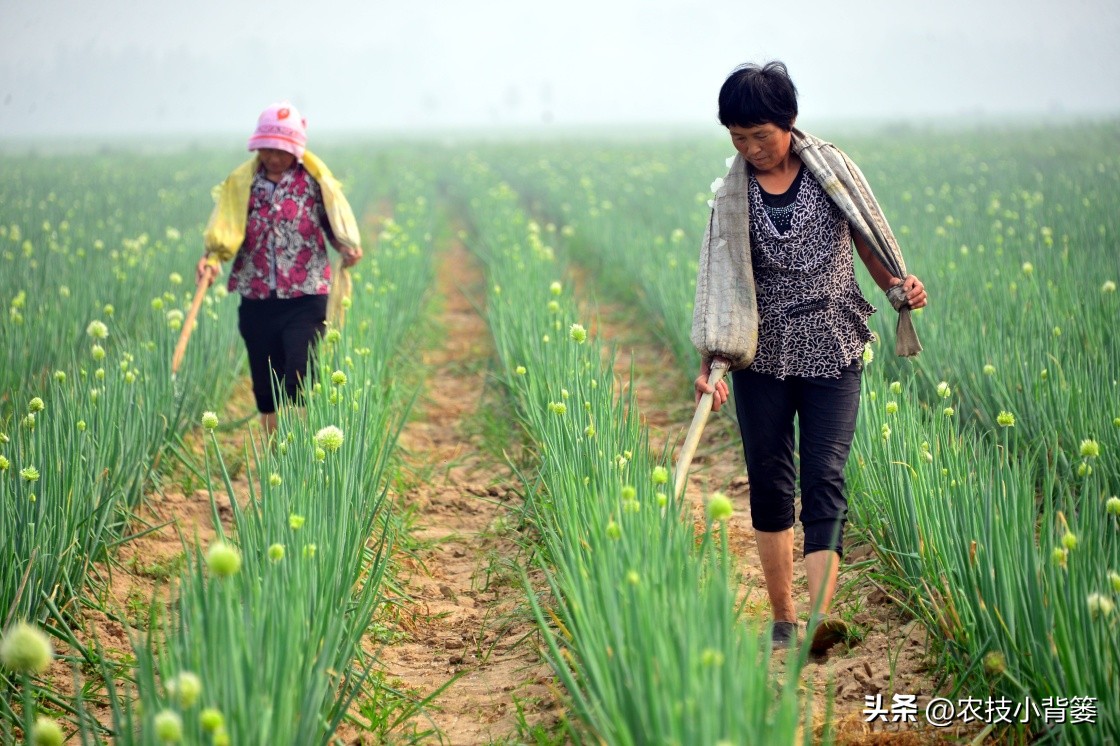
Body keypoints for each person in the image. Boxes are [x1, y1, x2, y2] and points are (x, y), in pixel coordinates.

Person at [690, 62, 928, 654]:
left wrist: (900, 286)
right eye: (737, 138)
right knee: (771, 484)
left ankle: (820, 621)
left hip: (834, 347)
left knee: (825, 478)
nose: (750, 148)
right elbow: (721, 283)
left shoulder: (831, 172)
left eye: (760, 136)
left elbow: (869, 242)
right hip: (761, 358)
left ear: (789, 123)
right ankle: (783, 617)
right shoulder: (731, 195)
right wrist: (711, 363)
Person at [195, 101, 362, 439]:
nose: (274, 157)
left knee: (301, 372)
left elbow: (332, 224)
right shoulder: (242, 184)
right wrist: (211, 260)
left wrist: (346, 246)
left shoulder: (313, 183)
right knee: (265, 377)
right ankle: (275, 454)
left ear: (296, 150)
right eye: (268, 149)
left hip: (306, 294)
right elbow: (226, 230)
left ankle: (300, 448)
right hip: (256, 296)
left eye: (281, 150)